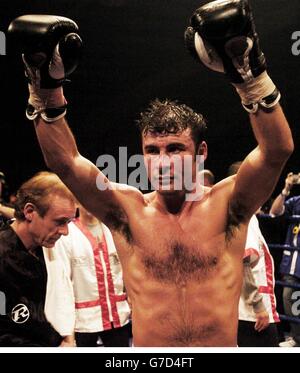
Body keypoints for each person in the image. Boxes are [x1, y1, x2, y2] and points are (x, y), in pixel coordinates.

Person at [9, 0, 293, 346]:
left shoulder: (228, 203)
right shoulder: (127, 211)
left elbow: (276, 150)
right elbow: (65, 162)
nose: (163, 161)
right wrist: (44, 90)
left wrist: (249, 77)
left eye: (175, 149)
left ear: (200, 153)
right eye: (152, 151)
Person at [0, 171, 77, 346]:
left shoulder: (48, 249)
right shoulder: (3, 259)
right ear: (29, 212)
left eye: (69, 222)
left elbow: (64, 297)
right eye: (60, 222)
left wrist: (67, 338)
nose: (65, 232)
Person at [53, 205, 132, 347]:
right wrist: (68, 337)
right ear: (76, 201)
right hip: (83, 323)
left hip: (120, 317)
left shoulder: (115, 230)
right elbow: (63, 285)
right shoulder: (66, 235)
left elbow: (129, 272)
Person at [269, 172, 300, 347]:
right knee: (290, 298)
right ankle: (297, 338)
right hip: (293, 264)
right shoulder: (296, 201)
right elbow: (274, 212)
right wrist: (286, 188)